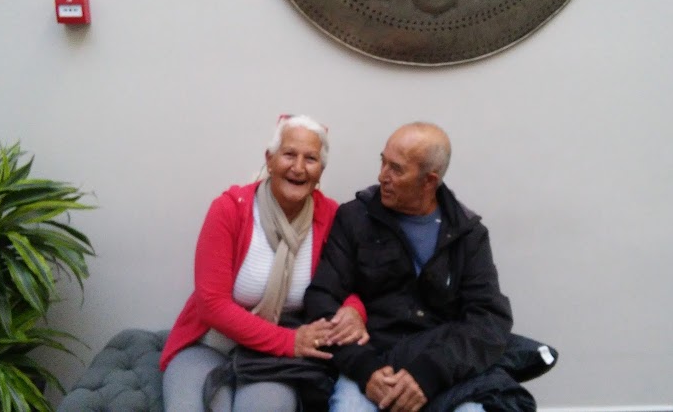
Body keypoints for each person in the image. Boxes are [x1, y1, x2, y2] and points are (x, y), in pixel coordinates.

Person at [160, 115, 369, 412]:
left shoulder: (332, 216)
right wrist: (289, 341)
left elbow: (347, 283)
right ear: (269, 160)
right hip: (210, 345)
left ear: (321, 170)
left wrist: (354, 310)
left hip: (272, 361)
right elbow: (211, 304)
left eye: (310, 159)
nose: (298, 167)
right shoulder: (230, 209)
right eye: (289, 154)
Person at [304, 122, 514, 412]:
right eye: (383, 162)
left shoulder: (467, 235)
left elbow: (488, 320)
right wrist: (365, 369)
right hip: (371, 364)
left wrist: (430, 374)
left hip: (441, 370)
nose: (382, 176)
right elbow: (321, 298)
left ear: (429, 181)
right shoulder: (355, 218)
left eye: (396, 169)